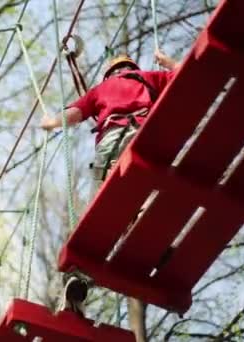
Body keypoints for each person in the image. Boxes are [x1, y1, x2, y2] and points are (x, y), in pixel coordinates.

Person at [40, 49, 179, 315]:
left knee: (102, 211)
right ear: (130, 68)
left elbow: (75, 114)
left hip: (112, 141)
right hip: (143, 137)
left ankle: (78, 279)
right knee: (146, 194)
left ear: (110, 73)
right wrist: (168, 62)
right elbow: (184, 76)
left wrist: (52, 122)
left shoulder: (101, 89)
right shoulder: (147, 78)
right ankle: (155, 240)